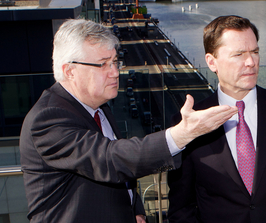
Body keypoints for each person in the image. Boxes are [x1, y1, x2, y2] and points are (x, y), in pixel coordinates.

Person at [19, 19, 237, 223]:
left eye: (115, 62)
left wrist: (136, 210)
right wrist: (182, 134)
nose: (115, 72)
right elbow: (110, 159)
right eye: (102, 65)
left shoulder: (99, 107)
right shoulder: (48, 118)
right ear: (70, 71)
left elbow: (121, 173)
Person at [168, 15, 266, 223]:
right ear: (212, 62)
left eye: (255, 52)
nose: (251, 62)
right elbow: (181, 206)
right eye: (239, 54)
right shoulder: (188, 123)